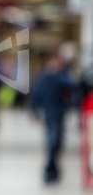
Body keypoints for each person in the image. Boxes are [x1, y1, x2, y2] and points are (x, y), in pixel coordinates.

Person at [31, 52, 79, 184]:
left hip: (54, 112)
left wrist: (34, 110)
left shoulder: (43, 76)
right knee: (54, 141)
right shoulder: (55, 76)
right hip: (54, 113)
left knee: (55, 141)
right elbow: (73, 85)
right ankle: (50, 168)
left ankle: (53, 168)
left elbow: (35, 95)